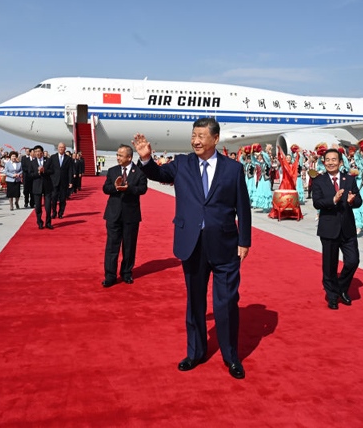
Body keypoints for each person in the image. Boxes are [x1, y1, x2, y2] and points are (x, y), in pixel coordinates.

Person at [133, 117, 251, 380]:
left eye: (201, 136)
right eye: (193, 135)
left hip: (225, 246)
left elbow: (242, 206)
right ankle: (195, 352)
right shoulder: (182, 164)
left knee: (227, 302)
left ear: (215, 139)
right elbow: (158, 174)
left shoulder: (233, 169)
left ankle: (231, 356)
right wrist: (146, 158)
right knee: (195, 302)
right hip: (192, 245)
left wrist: (244, 241)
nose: (195, 141)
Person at [311, 148, 363, 310]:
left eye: (334, 160)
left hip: (347, 228)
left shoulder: (349, 179)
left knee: (353, 261)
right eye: (328, 160)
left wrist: (352, 201)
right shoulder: (318, 181)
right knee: (329, 266)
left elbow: (359, 201)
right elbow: (317, 203)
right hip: (329, 228)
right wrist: (333, 199)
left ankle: (341, 287)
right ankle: (332, 296)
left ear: (340, 162)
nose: (331, 162)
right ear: (324, 162)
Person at [101, 145, 148, 286]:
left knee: (129, 246)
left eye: (120, 156)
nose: (118, 158)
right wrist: (116, 187)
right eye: (117, 155)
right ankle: (110, 276)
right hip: (113, 214)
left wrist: (128, 188)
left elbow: (143, 189)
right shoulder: (112, 171)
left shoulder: (139, 172)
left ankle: (127, 273)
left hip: (131, 215)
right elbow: (105, 188)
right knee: (112, 246)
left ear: (129, 157)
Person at [26, 145, 52, 229]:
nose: (37, 153)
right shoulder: (32, 162)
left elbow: (52, 171)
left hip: (47, 186)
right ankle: (39, 222)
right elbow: (30, 175)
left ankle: (48, 223)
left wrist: (44, 170)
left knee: (48, 206)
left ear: (42, 152)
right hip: (37, 186)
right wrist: (38, 172)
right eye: (36, 151)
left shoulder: (48, 160)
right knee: (38, 206)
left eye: (39, 151)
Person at [47, 142, 74, 219]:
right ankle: (54, 212)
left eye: (62, 147)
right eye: (60, 147)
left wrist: (70, 181)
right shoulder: (53, 157)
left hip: (64, 182)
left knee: (63, 199)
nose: (61, 149)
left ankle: (61, 213)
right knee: (54, 198)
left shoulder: (68, 159)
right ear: (57, 148)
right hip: (54, 181)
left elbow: (70, 171)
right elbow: (48, 168)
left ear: (65, 149)